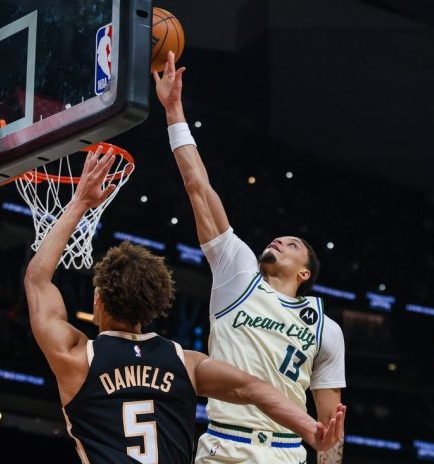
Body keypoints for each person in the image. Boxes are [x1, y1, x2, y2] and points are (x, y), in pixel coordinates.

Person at [24, 147, 344, 463]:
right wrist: (309, 429)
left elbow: (37, 280)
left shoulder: (75, 356)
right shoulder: (185, 363)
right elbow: (254, 388)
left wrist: (80, 202)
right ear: (153, 308)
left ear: (98, 300)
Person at [154, 51, 347, 464]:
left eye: (292, 244)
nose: (280, 241)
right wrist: (173, 111)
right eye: (280, 239)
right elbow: (198, 186)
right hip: (224, 445)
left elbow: (330, 429)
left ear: (305, 273)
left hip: (285, 453)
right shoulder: (237, 271)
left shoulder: (326, 328)